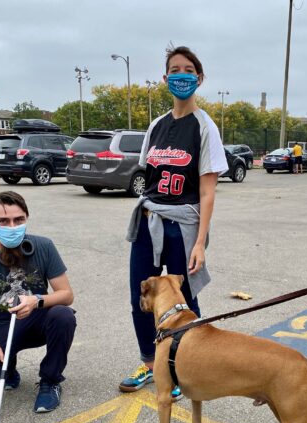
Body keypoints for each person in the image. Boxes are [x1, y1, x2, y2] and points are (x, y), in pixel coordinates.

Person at [121, 45, 228, 399]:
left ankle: (185, 367)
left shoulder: (205, 127)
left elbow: (208, 192)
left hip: (183, 224)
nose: (181, 75)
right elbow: (148, 175)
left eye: (188, 70)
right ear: (165, 78)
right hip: (150, 220)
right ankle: (150, 363)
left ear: (199, 78)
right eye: (174, 70)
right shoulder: (156, 125)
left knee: (186, 300)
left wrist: (200, 242)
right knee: (143, 295)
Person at [0, 191, 76, 413]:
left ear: (26, 218)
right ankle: (6, 365)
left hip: (37, 320)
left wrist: (36, 300)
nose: (12, 226)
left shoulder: (43, 246)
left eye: (18, 220)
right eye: (3, 221)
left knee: (63, 315)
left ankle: (50, 381)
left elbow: (66, 294)